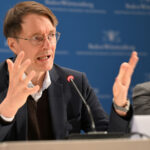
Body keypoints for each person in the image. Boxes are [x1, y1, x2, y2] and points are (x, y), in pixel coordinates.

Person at [0, 1, 138, 141]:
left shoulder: (75, 82)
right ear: (13, 44)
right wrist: (7, 110)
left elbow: (108, 139)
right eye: (37, 38)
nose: (48, 45)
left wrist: (120, 105)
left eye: (52, 35)